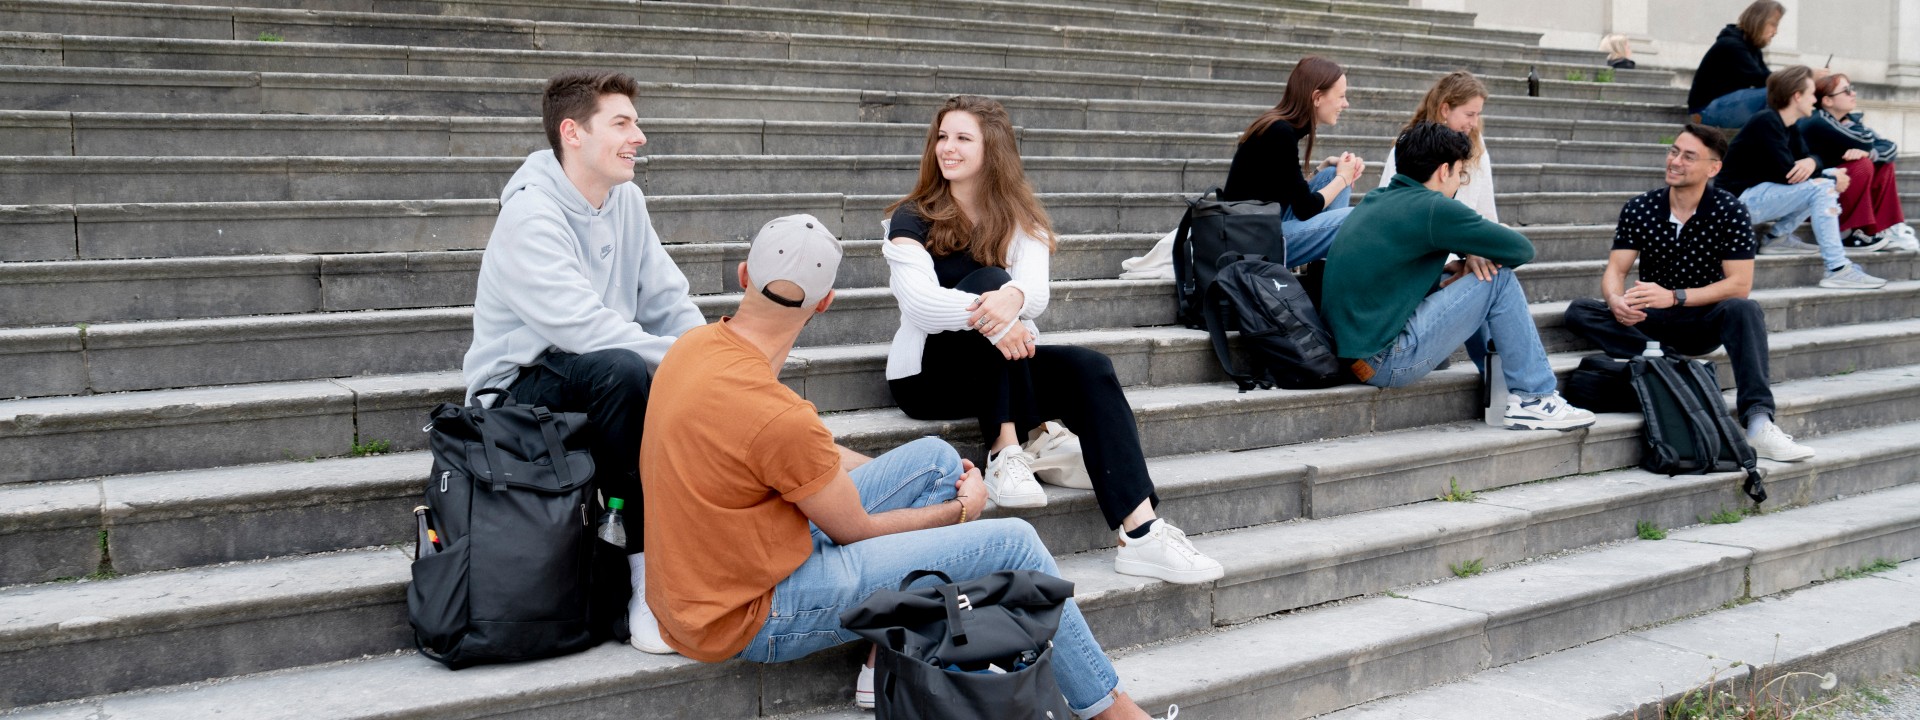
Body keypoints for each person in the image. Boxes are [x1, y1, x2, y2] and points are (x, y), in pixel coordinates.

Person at [638, 214, 1172, 720]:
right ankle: (1111, 710)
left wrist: (917, 489)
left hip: (702, 586)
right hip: (749, 614)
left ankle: (880, 659)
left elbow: (803, 456)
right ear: (826, 302)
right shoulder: (777, 415)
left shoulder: (694, 349)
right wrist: (959, 512)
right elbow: (854, 528)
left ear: (744, 275)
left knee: (935, 461)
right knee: (1014, 544)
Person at [883, 95, 1223, 586]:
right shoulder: (914, 217)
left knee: (1091, 367)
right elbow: (919, 304)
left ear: (992, 149)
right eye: (942, 136)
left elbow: (1036, 296)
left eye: (962, 138)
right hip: (929, 376)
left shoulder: (1020, 218)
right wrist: (1000, 310)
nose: (946, 149)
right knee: (989, 281)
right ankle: (1004, 451)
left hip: (1002, 368)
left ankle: (1142, 534)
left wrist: (1013, 297)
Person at [460, 70, 706, 653]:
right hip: (513, 395)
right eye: (621, 123)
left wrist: (708, 359)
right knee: (622, 368)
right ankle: (645, 588)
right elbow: (581, 327)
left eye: (636, 122)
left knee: (668, 370)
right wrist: (685, 361)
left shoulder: (627, 200)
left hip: (594, 374)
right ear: (572, 132)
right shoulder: (530, 215)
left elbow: (667, 299)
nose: (639, 136)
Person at [1562, 124, 1815, 462]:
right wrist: (1616, 300)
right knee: (1580, 310)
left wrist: (1676, 296)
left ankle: (1758, 423)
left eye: (1688, 156)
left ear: (1713, 167)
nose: (1676, 161)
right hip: (1648, 322)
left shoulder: (1730, 210)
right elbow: (1616, 270)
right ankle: (1676, 367)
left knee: (1745, 309)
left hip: (1701, 319)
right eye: (1674, 152)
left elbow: (1739, 284)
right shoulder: (1641, 207)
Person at [1322, 123, 1597, 431]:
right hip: (1386, 361)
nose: (1459, 182)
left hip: (1356, 358)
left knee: (1479, 276)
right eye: (1460, 174)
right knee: (1498, 279)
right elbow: (1520, 249)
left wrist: (1459, 264)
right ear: (1444, 171)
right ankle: (1534, 398)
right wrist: (1471, 255)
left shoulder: (1377, 199)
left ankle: (1500, 386)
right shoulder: (1433, 207)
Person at [1718, 65, 1887, 290]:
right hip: (1736, 203)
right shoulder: (1765, 121)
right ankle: (1837, 268)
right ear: (1797, 96)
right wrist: (1830, 177)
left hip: (1758, 196)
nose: (1814, 100)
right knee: (1823, 187)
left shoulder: (1789, 126)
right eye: (1810, 94)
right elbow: (1788, 175)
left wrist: (1816, 164)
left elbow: (1807, 161)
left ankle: (1777, 238)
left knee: (1823, 183)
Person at [1221, 55, 1367, 267]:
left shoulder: (1278, 127)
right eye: (1341, 96)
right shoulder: (1279, 133)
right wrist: (1344, 178)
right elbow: (1305, 208)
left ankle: (1322, 268)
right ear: (1317, 98)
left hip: (1261, 228)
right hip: (1251, 244)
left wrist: (1326, 168)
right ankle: (1324, 273)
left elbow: (1288, 192)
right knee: (1352, 217)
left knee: (1330, 174)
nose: (1346, 104)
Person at [1799, 73, 1917, 251]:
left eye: (1852, 89)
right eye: (1846, 91)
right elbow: (1865, 140)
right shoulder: (1817, 121)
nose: (1853, 93)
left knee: (1883, 163)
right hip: (1816, 199)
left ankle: (1881, 228)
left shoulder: (1851, 122)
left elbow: (1889, 146)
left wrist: (1869, 153)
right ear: (1828, 101)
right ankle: (1845, 233)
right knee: (1862, 165)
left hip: (1837, 191)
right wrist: (1866, 151)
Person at [1687, 1, 1827, 129]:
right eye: (1773, 24)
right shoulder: (1731, 45)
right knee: (1783, 91)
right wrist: (1805, 76)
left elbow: (1767, 79)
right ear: (1758, 21)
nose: (1775, 32)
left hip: (1724, 105)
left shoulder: (1751, 47)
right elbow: (1762, 79)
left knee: (1787, 93)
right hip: (1705, 111)